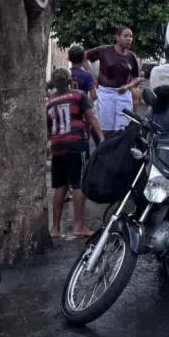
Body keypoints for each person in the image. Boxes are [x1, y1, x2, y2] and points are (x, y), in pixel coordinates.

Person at [46, 68, 103, 239]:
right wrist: (101, 137)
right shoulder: (79, 96)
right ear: (70, 80)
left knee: (60, 186)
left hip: (58, 145)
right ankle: (79, 226)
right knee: (78, 183)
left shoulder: (49, 102)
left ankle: (55, 229)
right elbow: (91, 116)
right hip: (76, 143)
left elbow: (48, 127)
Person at [86, 26, 139, 138]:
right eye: (125, 36)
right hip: (106, 93)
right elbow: (83, 56)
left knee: (122, 130)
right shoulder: (105, 50)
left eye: (131, 36)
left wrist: (129, 86)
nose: (129, 39)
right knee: (106, 130)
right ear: (117, 38)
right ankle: (104, 151)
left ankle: (117, 154)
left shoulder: (131, 57)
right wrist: (91, 75)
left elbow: (136, 78)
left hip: (123, 95)